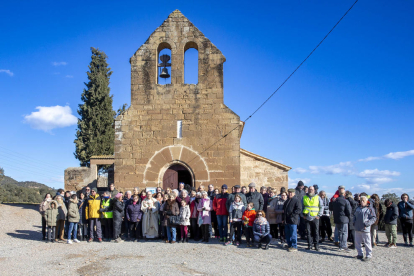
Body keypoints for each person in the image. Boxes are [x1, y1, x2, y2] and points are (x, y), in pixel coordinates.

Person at [354, 196, 377, 261]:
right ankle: (360, 254)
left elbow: (373, 218)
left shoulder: (370, 209)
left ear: (366, 201)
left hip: (365, 229)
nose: (362, 202)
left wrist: (367, 224)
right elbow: (354, 216)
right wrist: (354, 223)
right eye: (361, 200)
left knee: (367, 242)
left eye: (363, 200)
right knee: (357, 242)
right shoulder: (357, 208)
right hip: (357, 228)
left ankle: (368, 255)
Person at [330, 185, 351, 252]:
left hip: (337, 218)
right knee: (344, 232)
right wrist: (349, 218)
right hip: (344, 218)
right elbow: (349, 211)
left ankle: (340, 245)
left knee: (339, 232)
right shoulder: (345, 201)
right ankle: (344, 246)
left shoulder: (335, 201)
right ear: (344, 194)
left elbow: (330, 208)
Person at [301, 185, 323, 251]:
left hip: (315, 217)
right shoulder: (304, 197)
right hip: (307, 217)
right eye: (310, 189)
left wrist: (319, 215)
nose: (311, 190)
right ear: (308, 190)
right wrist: (303, 215)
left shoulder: (318, 197)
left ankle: (316, 245)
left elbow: (321, 207)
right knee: (308, 232)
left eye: (312, 189)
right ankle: (309, 245)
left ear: (314, 190)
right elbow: (301, 207)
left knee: (316, 232)